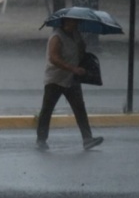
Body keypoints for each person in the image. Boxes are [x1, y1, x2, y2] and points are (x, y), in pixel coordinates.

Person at [36, 17, 104, 151]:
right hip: (55, 79)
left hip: (71, 79)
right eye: (73, 21)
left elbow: (80, 52)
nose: (76, 23)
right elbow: (54, 58)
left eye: (77, 22)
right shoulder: (56, 37)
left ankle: (87, 139)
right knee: (47, 109)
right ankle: (41, 139)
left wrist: (82, 45)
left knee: (79, 108)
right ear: (66, 22)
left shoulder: (75, 34)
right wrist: (73, 68)